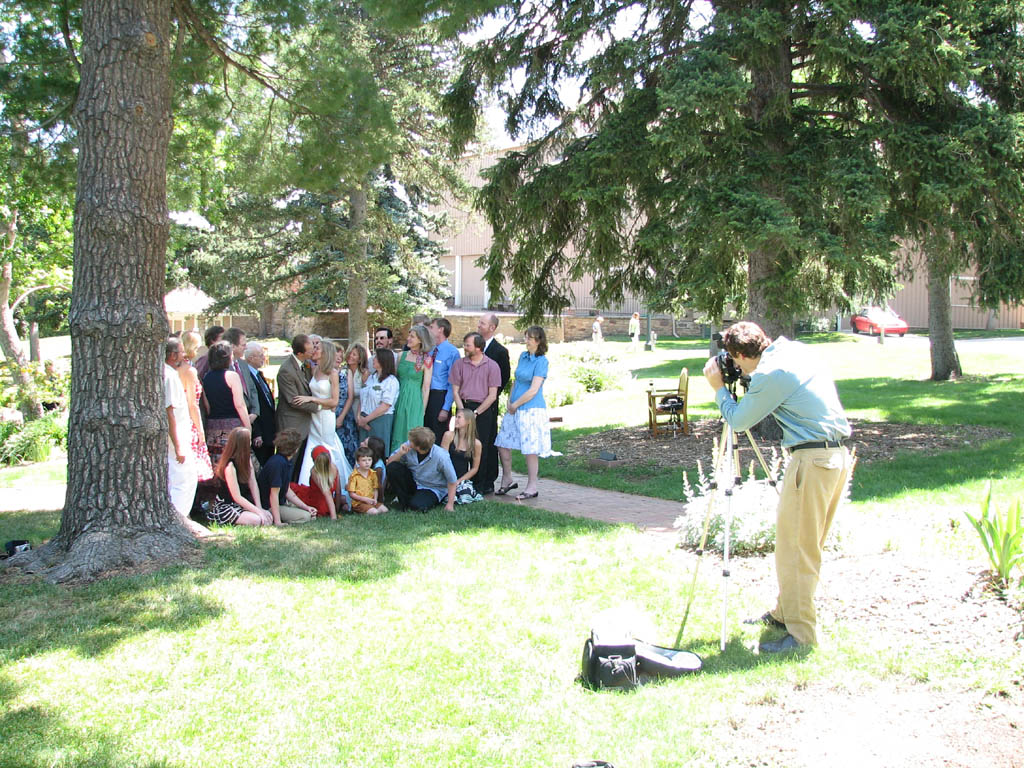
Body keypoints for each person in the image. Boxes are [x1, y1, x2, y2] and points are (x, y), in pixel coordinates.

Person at [702, 320, 853, 653]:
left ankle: (801, 636)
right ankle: (786, 613)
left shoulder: (771, 375)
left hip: (811, 461)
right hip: (833, 457)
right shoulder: (793, 350)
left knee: (796, 550)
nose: (735, 367)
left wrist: (718, 387)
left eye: (736, 361)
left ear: (741, 353)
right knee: (802, 545)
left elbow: (739, 420)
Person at [495, 326, 559, 501]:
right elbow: (516, 380)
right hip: (514, 408)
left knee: (530, 449)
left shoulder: (542, 362)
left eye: (530, 338)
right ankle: (507, 478)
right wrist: (509, 400)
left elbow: (533, 390)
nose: (526, 340)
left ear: (539, 341)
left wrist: (516, 404)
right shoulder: (523, 356)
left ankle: (532, 487)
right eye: (526, 336)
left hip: (531, 410)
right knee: (502, 442)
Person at [293, 339, 353, 488]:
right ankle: (308, 484)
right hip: (314, 416)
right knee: (312, 447)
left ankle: (336, 485)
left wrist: (312, 399)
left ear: (325, 352)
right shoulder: (314, 370)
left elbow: (334, 401)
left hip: (326, 416)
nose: (314, 350)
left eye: (317, 348)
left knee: (328, 446)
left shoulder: (332, 373)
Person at [449, 332, 500, 494]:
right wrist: (462, 412)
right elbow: (455, 391)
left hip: (483, 410)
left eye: (467, 345)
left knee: (481, 447)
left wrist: (477, 412)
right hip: (463, 406)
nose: (464, 348)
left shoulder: (492, 366)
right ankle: (459, 481)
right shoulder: (459, 364)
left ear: (478, 348)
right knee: (460, 445)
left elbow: (493, 395)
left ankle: (479, 485)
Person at [207, 427, 272, 526]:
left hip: (241, 505)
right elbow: (236, 497)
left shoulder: (247, 459)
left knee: (267, 516)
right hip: (227, 506)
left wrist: (259, 508)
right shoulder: (230, 467)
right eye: (249, 440)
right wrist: (259, 513)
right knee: (257, 520)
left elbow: (253, 483)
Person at [276, 334, 320, 480]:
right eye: (309, 351)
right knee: (289, 461)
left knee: (300, 462)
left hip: (305, 422)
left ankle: (294, 488)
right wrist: (319, 407)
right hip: (292, 423)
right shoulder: (286, 370)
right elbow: (293, 400)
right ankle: (282, 492)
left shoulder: (305, 365)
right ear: (300, 353)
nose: (313, 352)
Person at [202, 340, 252, 467]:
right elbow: (240, 404)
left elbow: (207, 406)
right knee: (236, 462)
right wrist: (248, 427)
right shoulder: (232, 376)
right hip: (232, 426)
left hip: (212, 426)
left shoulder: (206, 377)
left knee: (217, 463)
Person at [164, 337, 198, 517]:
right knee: (184, 479)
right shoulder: (168, 376)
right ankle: (179, 518)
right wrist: (178, 446)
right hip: (175, 436)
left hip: (180, 433)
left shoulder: (170, 373)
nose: (184, 355)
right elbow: (169, 412)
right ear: (172, 355)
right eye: (181, 351)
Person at [386, 427, 457, 512]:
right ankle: (404, 501)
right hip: (414, 482)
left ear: (418, 447)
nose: (409, 441)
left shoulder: (441, 456)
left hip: (432, 488)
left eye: (411, 441)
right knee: (393, 467)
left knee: (417, 506)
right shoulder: (408, 446)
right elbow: (389, 463)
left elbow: (452, 480)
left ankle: (414, 501)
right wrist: (400, 453)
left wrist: (450, 504)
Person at [477, 313, 510, 495]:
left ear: (492, 327)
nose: (478, 325)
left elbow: (504, 378)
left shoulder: (499, 352)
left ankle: (488, 479)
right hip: (471, 401)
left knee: (488, 440)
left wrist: (490, 395)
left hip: (489, 402)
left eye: (482, 323)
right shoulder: (473, 346)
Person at [256, 428, 316, 525]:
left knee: (310, 513)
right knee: (306, 517)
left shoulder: (285, 461)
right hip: (269, 506)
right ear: (295, 449)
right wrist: (278, 522)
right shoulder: (278, 463)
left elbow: (287, 490)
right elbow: (273, 495)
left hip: (281, 503)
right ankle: (275, 518)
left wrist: (306, 507)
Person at [177, 330, 213, 482]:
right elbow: (192, 404)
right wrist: (200, 431)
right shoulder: (189, 371)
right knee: (190, 472)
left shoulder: (174, 368)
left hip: (177, 419)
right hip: (187, 422)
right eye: (197, 347)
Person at [390, 324, 433, 449]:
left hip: (415, 400)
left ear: (420, 340)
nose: (408, 338)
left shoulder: (427, 360)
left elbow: (426, 387)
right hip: (399, 397)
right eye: (409, 335)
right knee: (397, 430)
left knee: (413, 432)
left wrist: (422, 409)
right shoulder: (400, 356)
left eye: (412, 336)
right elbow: (395, 378)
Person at [424, 317, 460, 443]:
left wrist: (445, 407)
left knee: (437, 434)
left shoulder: (452, 352)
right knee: (424, 433)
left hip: (439, 396)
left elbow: (453, 382)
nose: (429, 329)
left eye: (432, 327)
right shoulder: (429, 350)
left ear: (441, 330)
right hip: (426, 394)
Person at [358, 348, 400, 455]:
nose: (373, 359)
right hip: (364, 419)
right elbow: (362, 397)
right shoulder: (371, 378)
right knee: (363, 453)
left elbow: (385, 405)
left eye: (376, 357)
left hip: (379, 420)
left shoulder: (391, 381)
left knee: (377, 453)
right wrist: (360, 417)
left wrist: (366, 419)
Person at [335, 343, 369, 466]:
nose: (350, 356)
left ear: (360, 358)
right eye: (350, 353)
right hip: (345, 407)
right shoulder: (343, 371)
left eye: (354, 354)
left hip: (358, 407)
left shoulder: (364, 373)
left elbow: (364, 395)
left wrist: (359, 414)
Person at [244, 341, 277, 467]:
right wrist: (256, 433)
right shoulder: (247, 376)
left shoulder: (258, 374)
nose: (264, 357)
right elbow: (250, 406)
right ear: (251, 358)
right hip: (260, 432)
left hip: (269, 430)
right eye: (260, 355)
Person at [441, 410, 483, 504]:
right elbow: (442, 460)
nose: (456, 419)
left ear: (468, 421)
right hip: (446, 476)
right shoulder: (448, 435)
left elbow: (475, 468)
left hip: (461, 479)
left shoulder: (476, 443)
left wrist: (459, 481)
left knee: (465, 496)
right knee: (447, 495)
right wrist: (450, 480)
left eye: (459, 417)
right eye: (456, 417)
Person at [290, 445, 344, 518]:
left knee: (292, 488)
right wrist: (337, 508)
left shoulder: (315, 472)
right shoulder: (334, 468)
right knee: (343, 498)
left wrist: (334, 516)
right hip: (328, 502)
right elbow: (338, 492)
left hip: (317, 502)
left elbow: (328, 494)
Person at [347, 446, 388, 515]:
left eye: (369, 460)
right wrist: (365, 499)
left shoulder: (373, 473)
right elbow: (352, 494)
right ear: (358, 461)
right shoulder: (354, 476)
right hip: (359, 503)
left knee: (385, 510)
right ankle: (357, 511)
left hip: (371, 501)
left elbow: (375, 489)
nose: (367, 463)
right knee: (375, 512)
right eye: (364, 460)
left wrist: (375, 499)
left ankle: (370, 508)